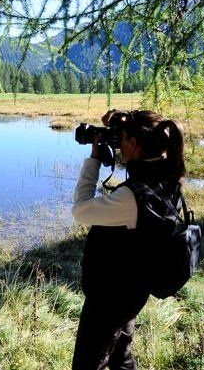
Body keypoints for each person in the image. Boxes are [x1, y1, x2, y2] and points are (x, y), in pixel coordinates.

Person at [70, 109, 187, 370]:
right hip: (133, 290)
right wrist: (119, 124)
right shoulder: (168, 180)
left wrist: (94, 159)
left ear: (134, 143)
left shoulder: (132, 197)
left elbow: (81, 210)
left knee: (88, 364)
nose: (118, 144)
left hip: (108, 298)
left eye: (121, 139)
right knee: (120, 358)